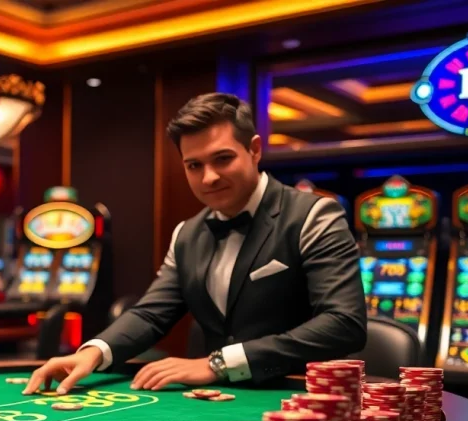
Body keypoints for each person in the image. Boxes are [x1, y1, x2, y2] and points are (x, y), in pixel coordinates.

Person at [25, 92, 367, 395]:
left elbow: (343, 324)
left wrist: (219, 363)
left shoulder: (314, 215)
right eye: (194, 165)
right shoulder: (187, 233)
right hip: (215, 404)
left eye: (222, 159)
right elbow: (151, 313)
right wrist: (92, 353)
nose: (209, 177)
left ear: (255, 150)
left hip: (300, 398)